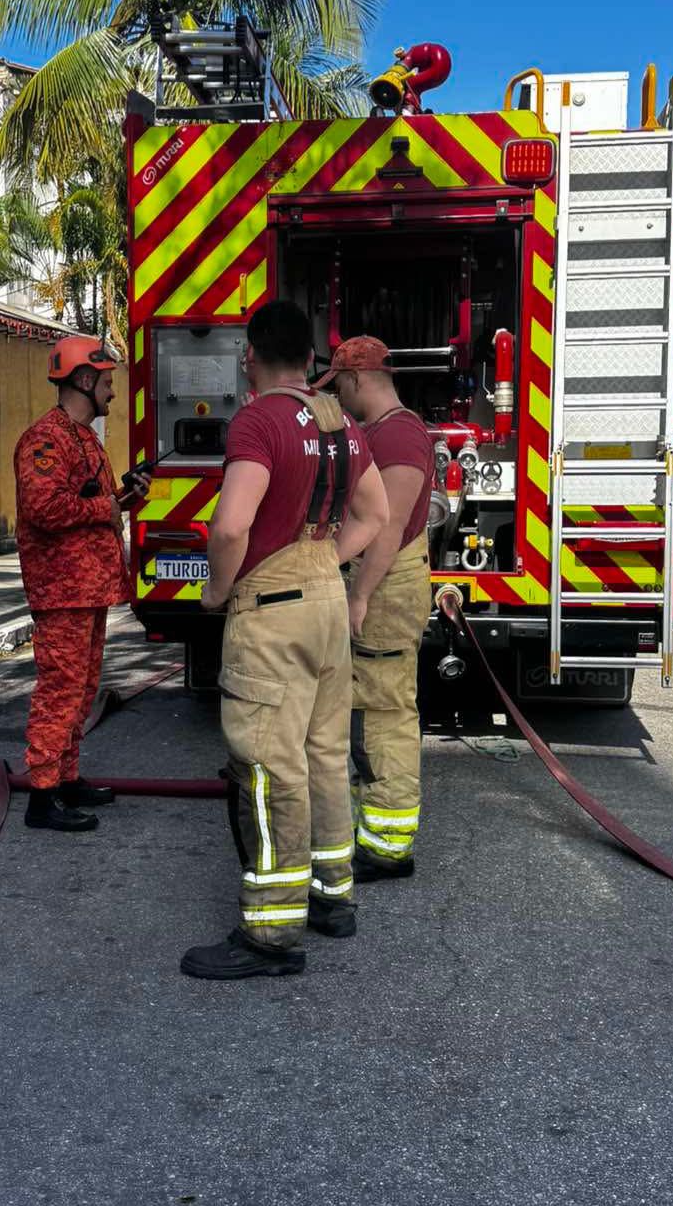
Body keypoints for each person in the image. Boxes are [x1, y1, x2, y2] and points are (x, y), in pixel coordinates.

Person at [181, 301, 390, 980]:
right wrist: (330, 561)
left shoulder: (258, 420)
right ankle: (335, 898)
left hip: (271, 608)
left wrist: (215, 592)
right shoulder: (338, 423)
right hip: (328, 602)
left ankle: (270, 931)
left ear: (251, 356)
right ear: (310, 360)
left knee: (270, 765)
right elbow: (377, 513)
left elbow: (232, 524)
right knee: (327, 753)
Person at [14, 336, 148, 833]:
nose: (113, 393)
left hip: (88, 589)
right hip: (62, 591)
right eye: (108, 382)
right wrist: (103, 507)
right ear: (84, 381)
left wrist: (122, 499)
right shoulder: (44, 440)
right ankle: (42, 795)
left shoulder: (83, 438)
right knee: (60, 691)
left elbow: (89, 504)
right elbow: (44, 509)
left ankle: (66, 779)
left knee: (82, 689)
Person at [321, 337, 435, 880]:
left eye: (340, 386)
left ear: (359, 377)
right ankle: (374, 832)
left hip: (386, 588)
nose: (340, 398)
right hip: (381, 583)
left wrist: (359, 594)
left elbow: (387, 527)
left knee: (382, 716)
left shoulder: (400, 434)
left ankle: (388, 848)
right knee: (366, 711)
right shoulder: (381, 431)